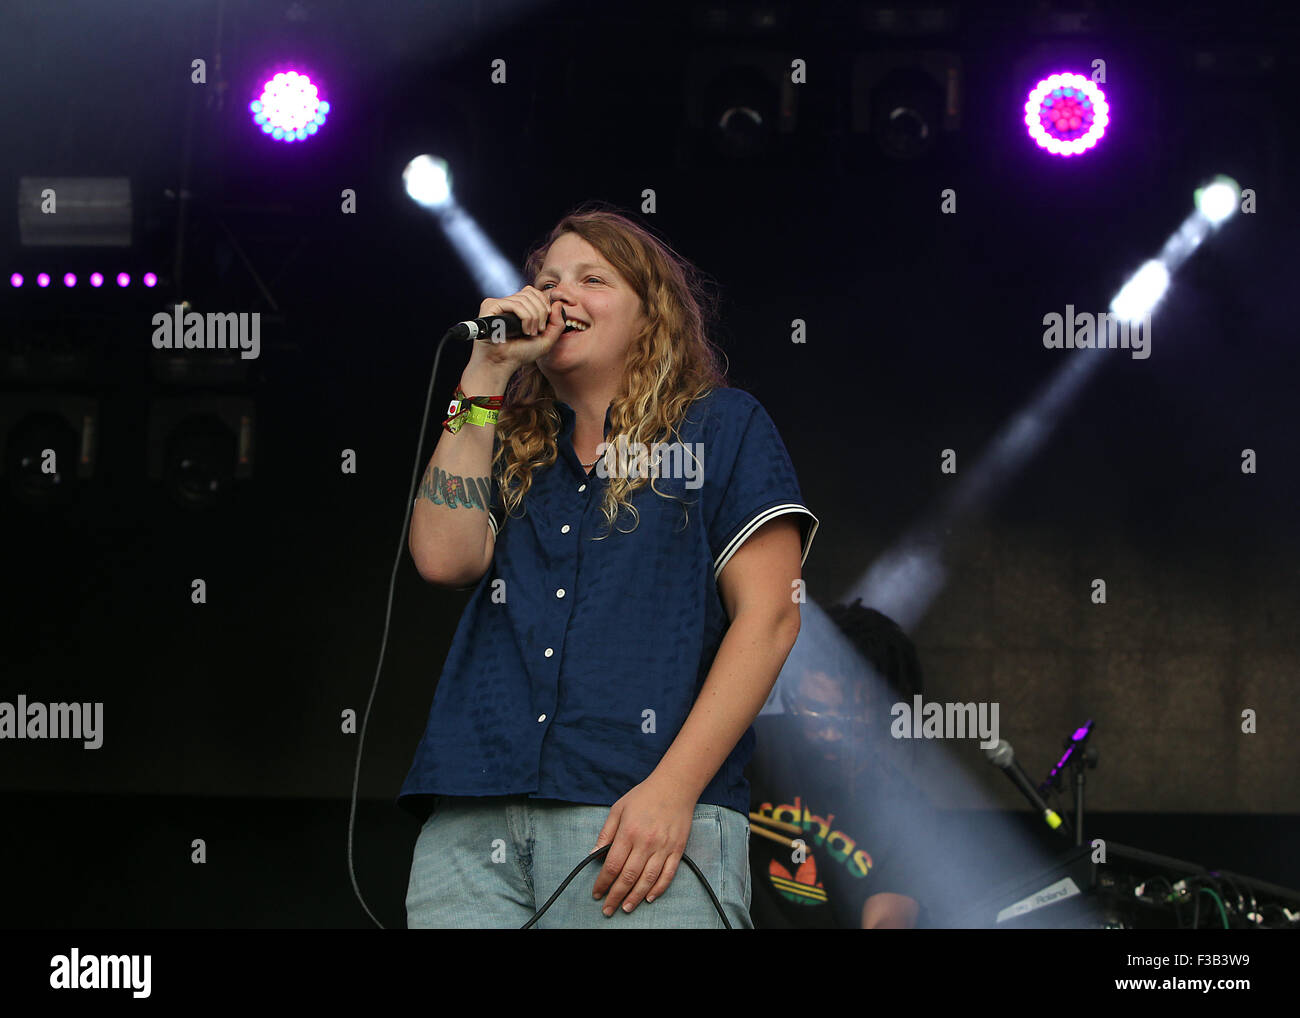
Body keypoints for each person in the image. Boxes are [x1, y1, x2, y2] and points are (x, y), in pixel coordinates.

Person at [398, 202, 818, 928]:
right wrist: (483, 373)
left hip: (639, 816)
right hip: (475, 808)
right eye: (547, 280)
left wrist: (673, 790)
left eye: (593, 279)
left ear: (649, 316)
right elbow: (442, 557)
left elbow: (772, 616)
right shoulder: (508, 438)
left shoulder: (722, 425)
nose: (559, 295)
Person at [747, 599, 939, 928]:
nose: (832, 731)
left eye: (852, 715)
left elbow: (887, 918)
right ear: (792, 693)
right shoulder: (751, 748)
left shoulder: (907, 812)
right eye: (815, 709)